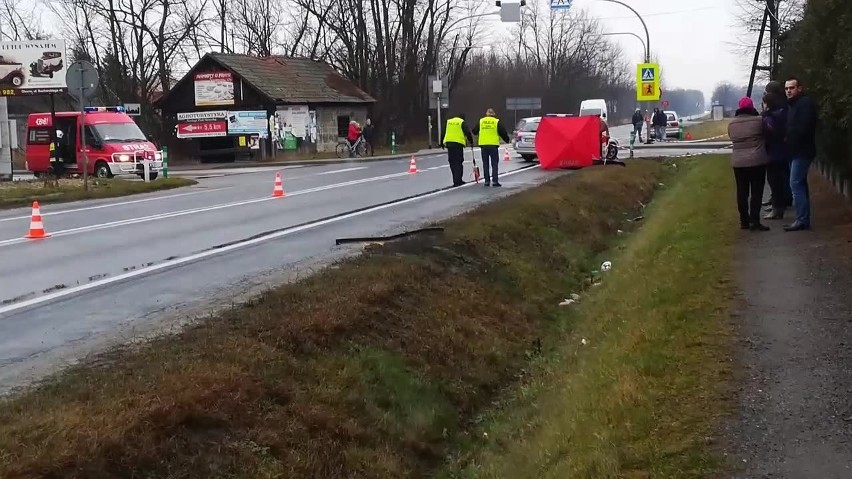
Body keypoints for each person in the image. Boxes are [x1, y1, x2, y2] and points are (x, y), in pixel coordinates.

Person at [728, 97, 771, 231]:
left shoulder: (732, 124)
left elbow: (731, 137)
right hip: (757, 160)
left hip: (738, 162)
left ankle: (744, 221)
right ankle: (755, 221)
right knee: (756, 192)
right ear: (752, 107)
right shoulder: (759, 121)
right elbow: (768, 133)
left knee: (742, 192)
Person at [783, 76, 819, 232]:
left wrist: (789, 137)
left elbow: (804, 127)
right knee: (800, 184)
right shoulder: (793, 105)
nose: (789, 91)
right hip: (794, 151)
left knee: (795, 183)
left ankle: (802, 219)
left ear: (799, 88)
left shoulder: (805, 104)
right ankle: (803, 218)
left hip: (802, 151)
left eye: (792, 88)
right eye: (786, 89)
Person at [761, 82, 792, 220]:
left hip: (774, 151)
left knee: (775, 180)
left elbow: (770, 132)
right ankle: (778, 204)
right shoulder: (784, 108)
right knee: (781, 178)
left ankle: (777, 207)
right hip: (781, 149)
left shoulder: (771, 116)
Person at [472, 108, 511, 187]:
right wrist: (507, 139)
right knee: (494, 164)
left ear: (486, 114)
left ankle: (487, 181)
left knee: (485, 164)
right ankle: (495, 181)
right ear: (493, 114)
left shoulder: (481, 121)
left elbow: (474, 131)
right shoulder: (496, 121)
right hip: (493, 145)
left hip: (483, 145)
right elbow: (502, 132)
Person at [442, 113, 474, 187]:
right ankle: (458, 180)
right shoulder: (461, 122)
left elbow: (443, 132)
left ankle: (455, 179)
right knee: (459, 162)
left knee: (452, 162)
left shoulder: (449, 121)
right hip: (458, 144)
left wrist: (441, 142)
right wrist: (471, 141)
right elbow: (467, 132)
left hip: (449, 144)